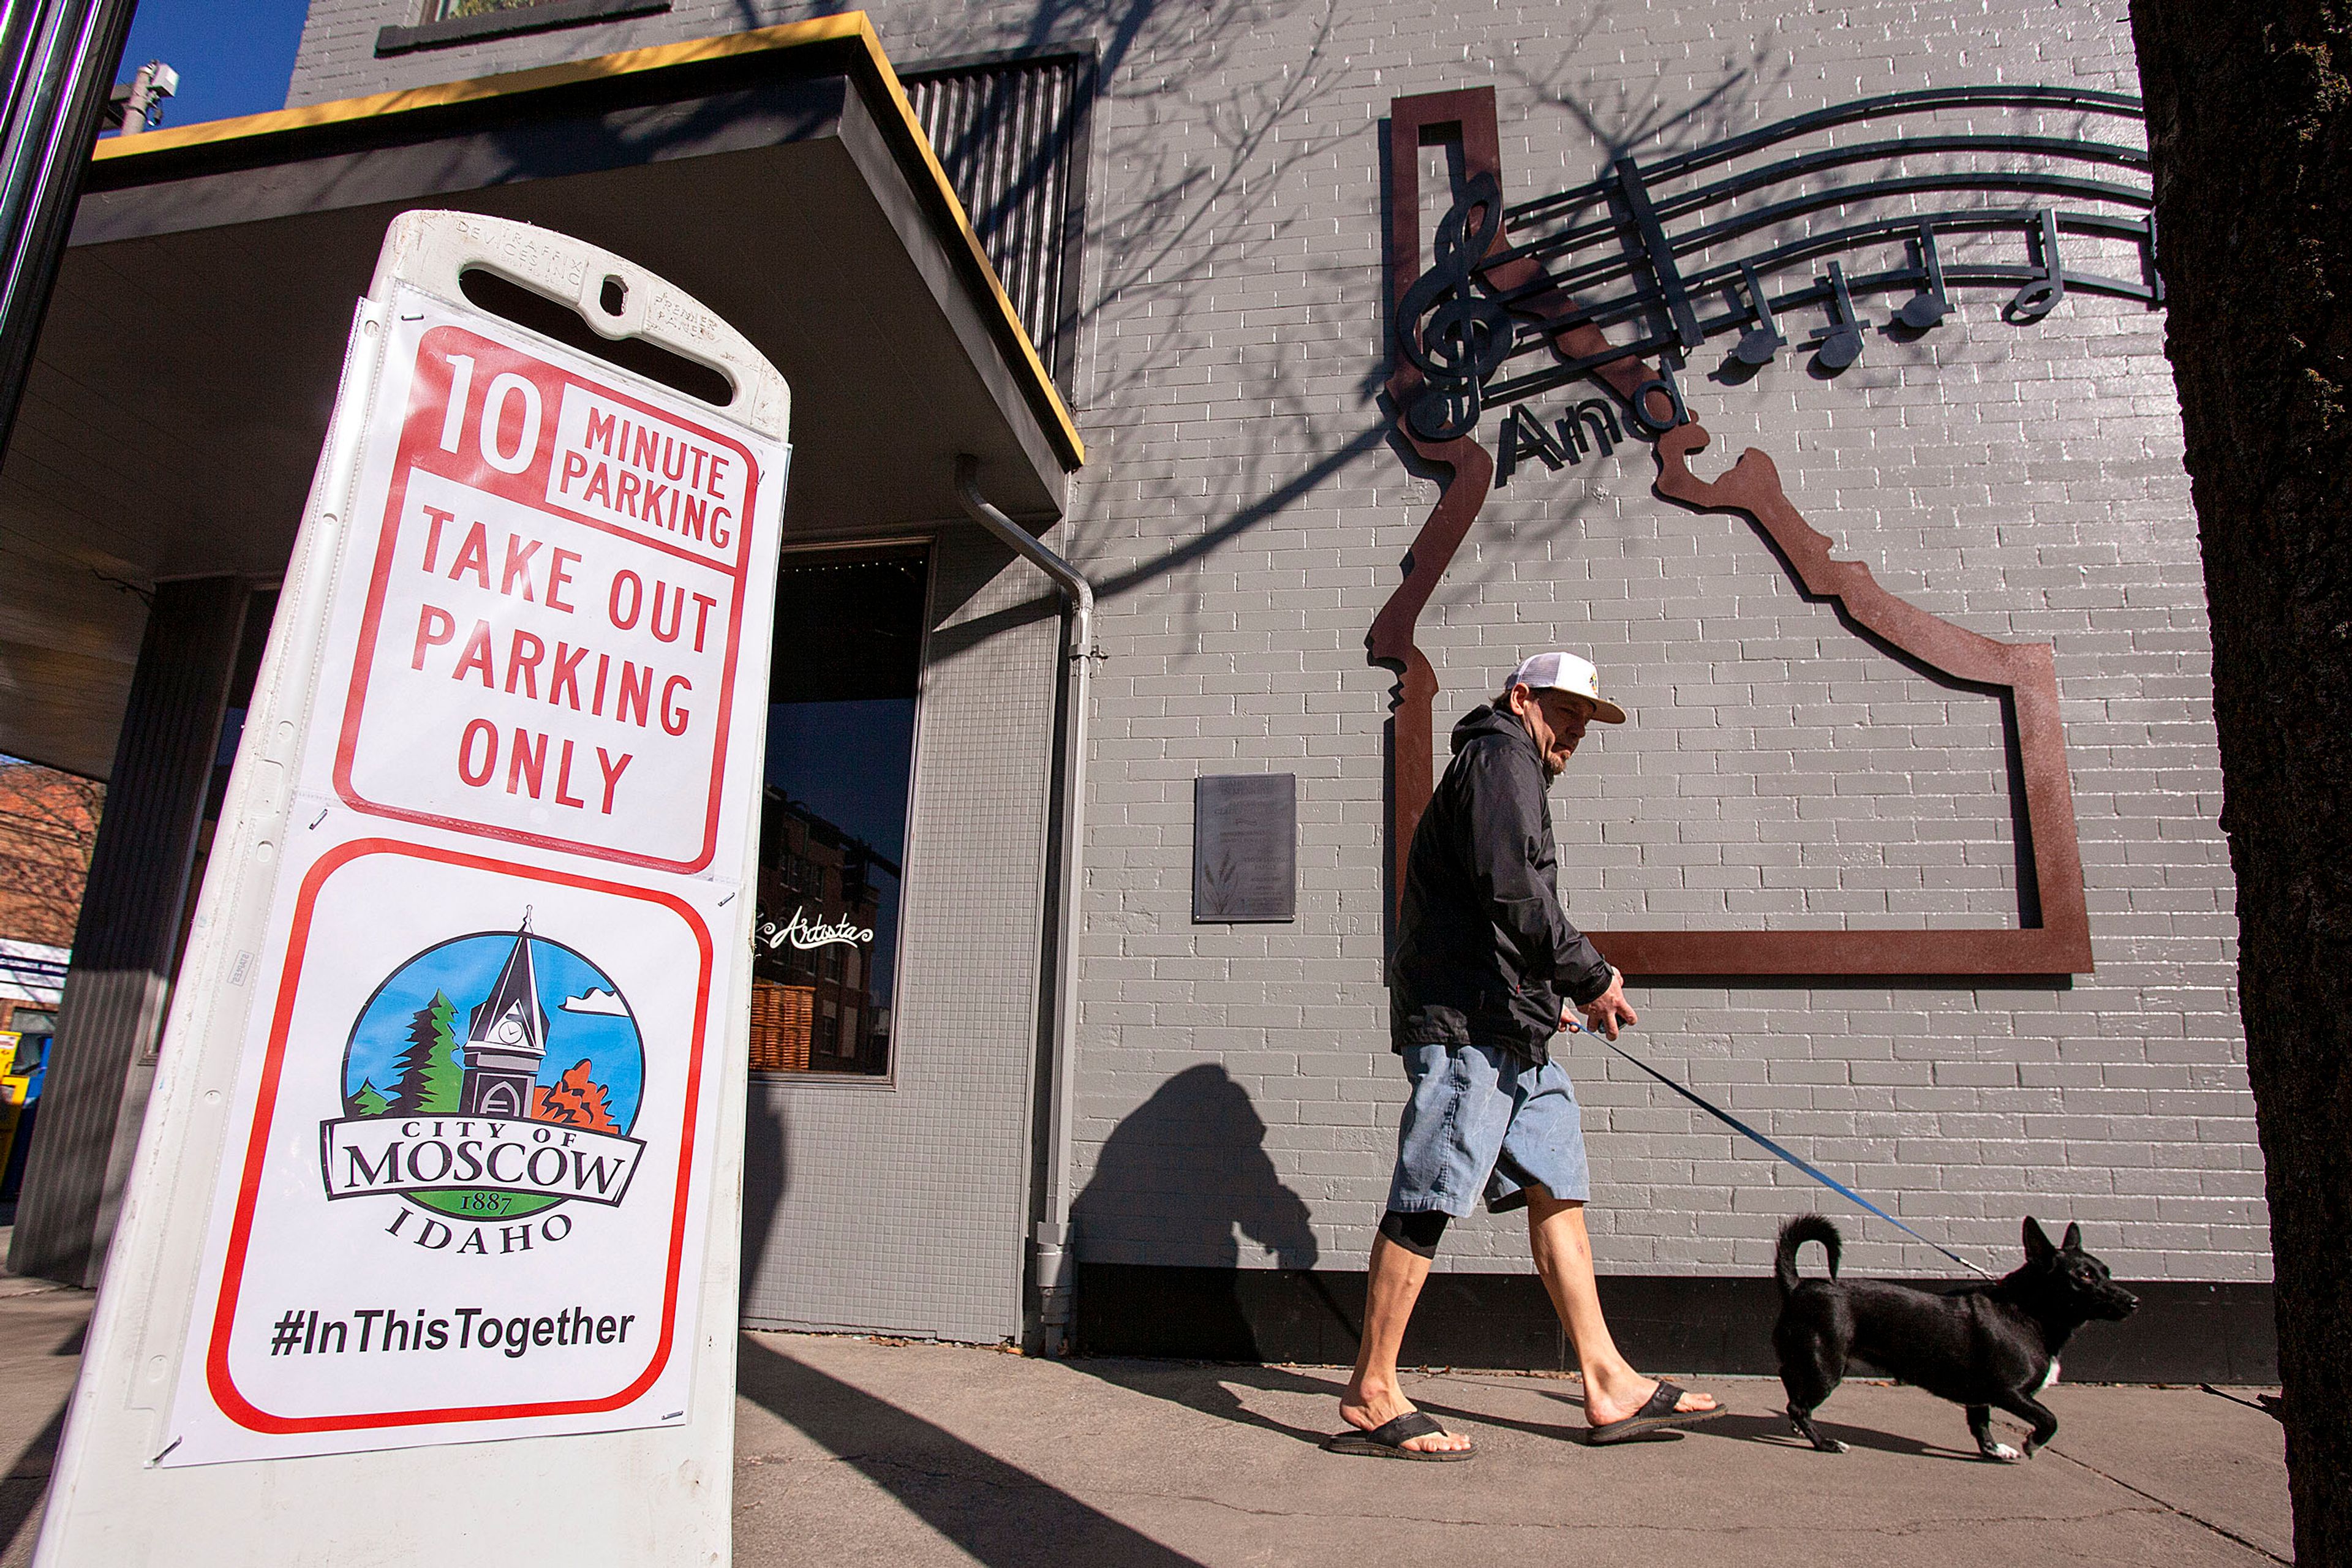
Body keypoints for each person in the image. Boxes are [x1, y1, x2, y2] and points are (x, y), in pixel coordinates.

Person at [1327, 650, 1721, 1459]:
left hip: (1514, 1024)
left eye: (1584, 724)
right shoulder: (1498, 756)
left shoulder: (1517, 770)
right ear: (1521, 697)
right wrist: (1590, 976)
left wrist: (1544, 1000)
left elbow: (1498, 907)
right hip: (1467, 1022)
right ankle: (1372, 1388)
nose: (1573, 735)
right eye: (1564, 715)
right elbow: (1512, 889)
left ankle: (1607, 1379)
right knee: (1433, 1188)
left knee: (1556, 1183)